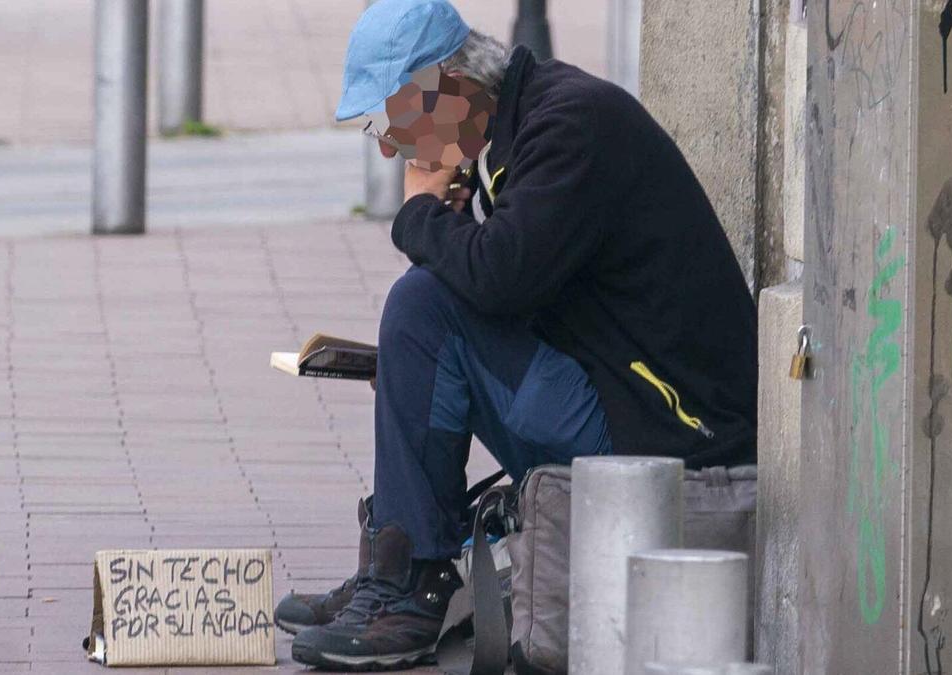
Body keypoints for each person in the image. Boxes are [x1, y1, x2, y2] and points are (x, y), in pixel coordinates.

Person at [280, 0, 758, 669]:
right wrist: (424, 374)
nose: (389, 146)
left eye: (391, 121)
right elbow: (515, 288)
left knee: (421, 306)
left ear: (450, 89)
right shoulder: (515, 128)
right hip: (620, 396)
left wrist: (421, 214)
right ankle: (401, 570)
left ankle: (414, 579)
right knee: (427, 327)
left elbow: (501, 279)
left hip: (670, 431)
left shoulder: (570, 125)